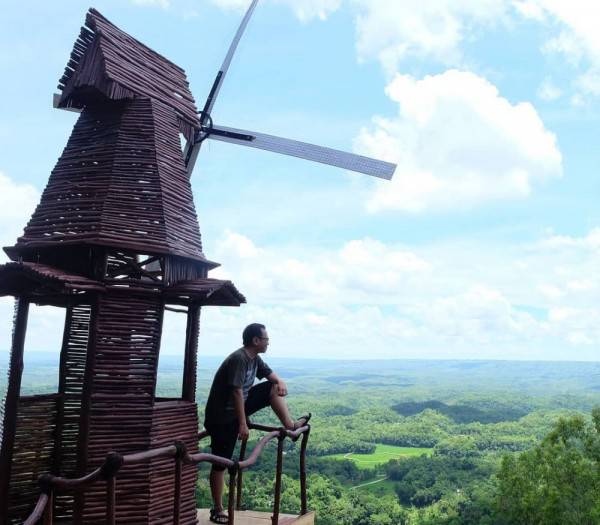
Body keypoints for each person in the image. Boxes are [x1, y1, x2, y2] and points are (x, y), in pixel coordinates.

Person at [204, 323, 309, 524]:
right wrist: (243, 424)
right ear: (256, 340)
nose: (268, 343)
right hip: (223, 417)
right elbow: (236, 392)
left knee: (272, 387)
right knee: (220, 464)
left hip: (237, 408)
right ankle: (217, 509)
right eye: (266, 339)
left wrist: (280, 382)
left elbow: (270, 376)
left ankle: (290, 425)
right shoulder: (239, 359)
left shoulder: (254, 358)